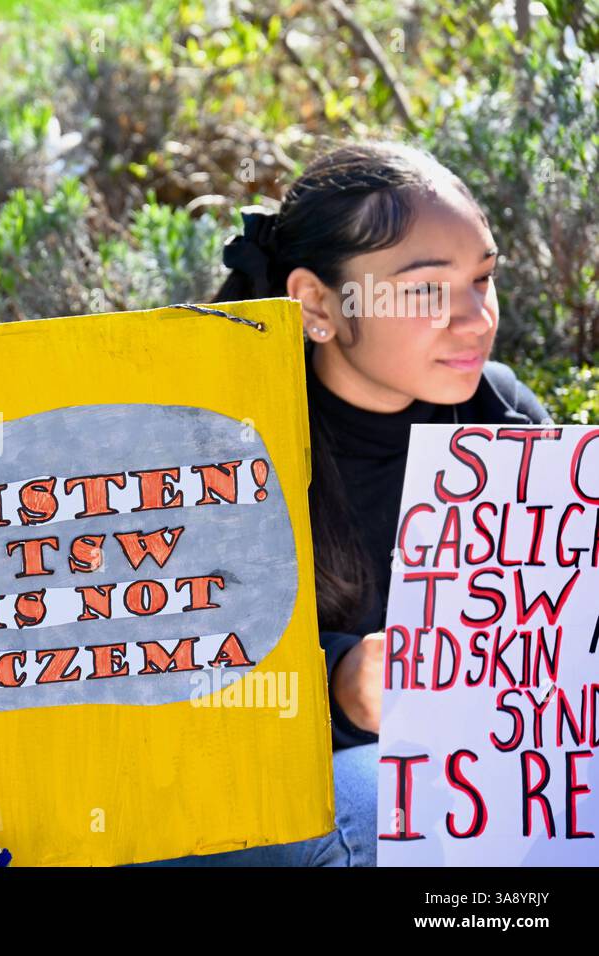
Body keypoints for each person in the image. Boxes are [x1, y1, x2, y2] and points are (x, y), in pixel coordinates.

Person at [198, 140, 550, 865]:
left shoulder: (502, 411)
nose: (477, 318)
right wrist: (337, 684)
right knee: (371, 802)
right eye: (425, 290)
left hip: (471, 779)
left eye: (483, 279)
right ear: (316, 304)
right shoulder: (228, 443)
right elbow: (171, 678)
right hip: (270, 800)